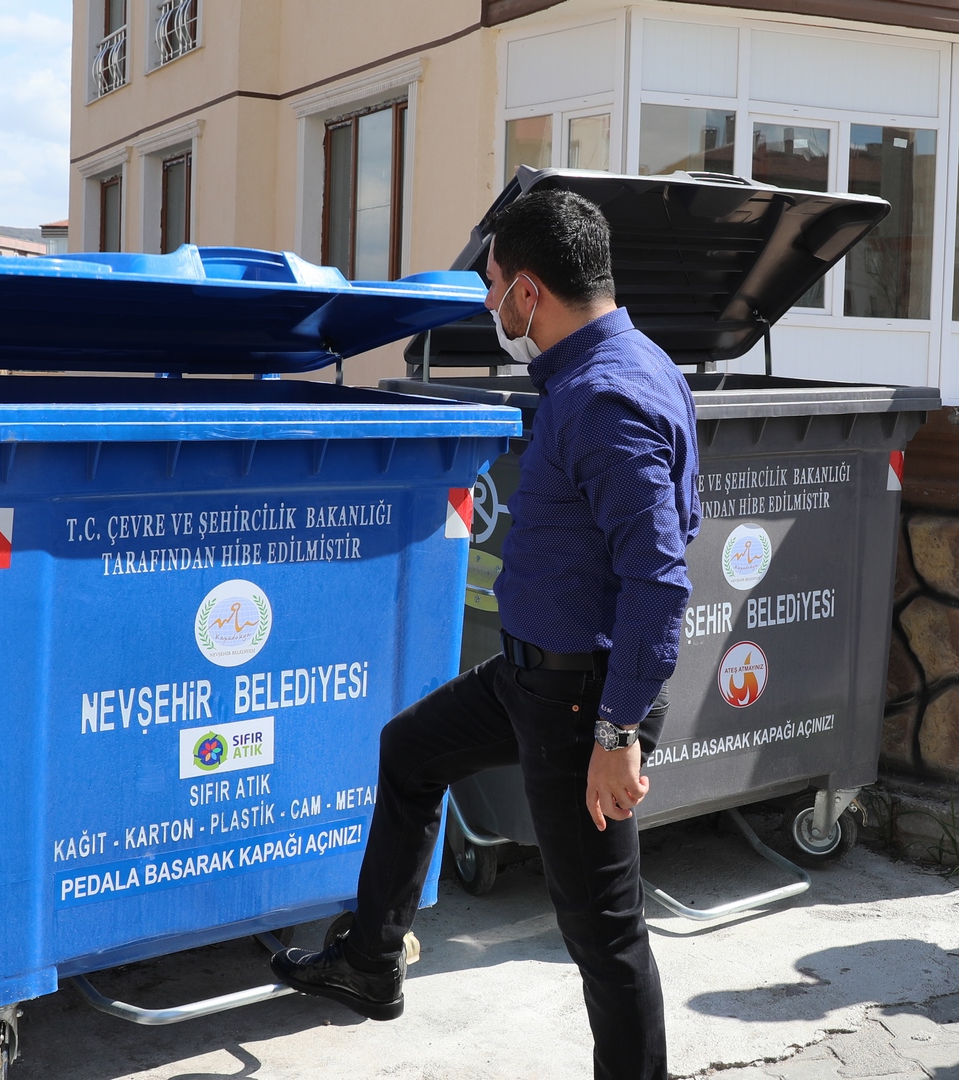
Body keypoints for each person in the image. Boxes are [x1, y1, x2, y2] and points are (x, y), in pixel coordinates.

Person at [271, 188, 697, 1080]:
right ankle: (370, 962)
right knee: (411, 750)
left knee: (605, 935)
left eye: (494, 283)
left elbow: (660, 580)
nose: (489, 302)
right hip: (532, 679)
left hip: (582, 701)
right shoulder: (621, 366)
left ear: (531, 294)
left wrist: (618, 734)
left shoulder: (607, 398)